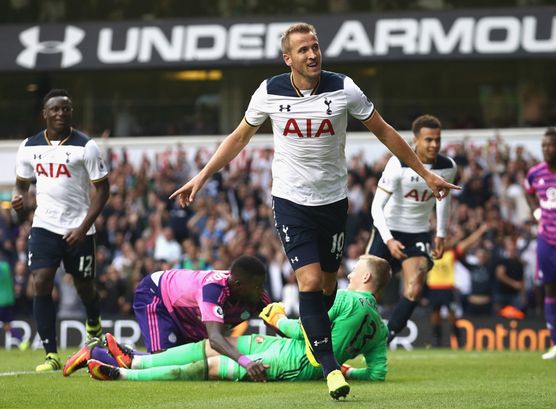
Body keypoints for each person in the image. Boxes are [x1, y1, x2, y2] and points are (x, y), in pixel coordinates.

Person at [169, 23, 459, 399]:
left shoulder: (343, 88)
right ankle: (330, 369)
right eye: (303, 50)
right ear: (288, 58)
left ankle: (314, 339)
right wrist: (202, 176)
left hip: (333, 203)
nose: (312, 55)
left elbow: (384, 131)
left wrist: (425, 174)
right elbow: (239, 136)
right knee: (307, 282)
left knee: (325, 287)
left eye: (316, 48)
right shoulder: (269, 91)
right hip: (291, 202)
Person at [86, 255, 391, 388]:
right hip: (159, 297)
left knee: (204, 361)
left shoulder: (345, 300)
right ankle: (120, 364)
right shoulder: (381, 326)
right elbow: (377, 374)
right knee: (210, 349)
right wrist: (343, 369)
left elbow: (308, 334)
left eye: (355, 271)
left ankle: (114, 364)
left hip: (289, 359)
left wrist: (282, 322)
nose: (349, 274)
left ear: (364, 277)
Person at [11, 89, 110, 372]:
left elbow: (103, 191)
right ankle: (51, 354)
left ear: (71, 112)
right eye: (54, 109)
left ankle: (93, 323)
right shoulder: (28, 147)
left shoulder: (86, 147)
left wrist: (83, 227)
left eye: (65, 109)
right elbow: (21, 184)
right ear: (44, 113)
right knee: (40, 282)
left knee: (84, 287)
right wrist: (19, 200)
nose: (60, 113)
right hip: (44, 225)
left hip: (79, 229)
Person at [64, 255, 271, 382]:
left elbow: (278, 320)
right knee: (160, 363)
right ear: (237, 285)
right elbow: (216, 339)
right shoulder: (213, 289)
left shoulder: (254, 294)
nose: (261, 291)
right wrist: (246, 361)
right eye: (257, 286)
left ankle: (124, 353)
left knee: (190, 361)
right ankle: (95, 351)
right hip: (157, 296)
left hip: (189, 318)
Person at [366, 114, 457, 343]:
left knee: (415, 288)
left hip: (417, 232)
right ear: (415, 140)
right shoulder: (398, 163)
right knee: (365, 293)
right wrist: (388, 239)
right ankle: (347, 338)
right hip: (387, 230)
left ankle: (386, 339)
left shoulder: (448, 167)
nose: (434, 145)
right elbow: (376, 207)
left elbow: (443, 198)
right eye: (428, 140)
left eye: (437, 139)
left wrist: (441, 234)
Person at [524, 128, 556, 359]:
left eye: (551, 146)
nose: (547, 149)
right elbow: (529, 191)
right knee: (550, 287)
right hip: (546, 239)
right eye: (544, 146)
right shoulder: (535, 173)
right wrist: (535, 210)